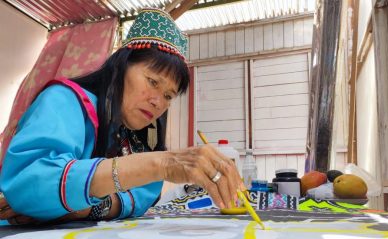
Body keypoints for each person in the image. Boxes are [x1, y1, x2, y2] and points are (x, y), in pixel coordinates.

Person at [0, 8, 244, 225]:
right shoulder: (64, 101)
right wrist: (161, 163)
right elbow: (30, 185)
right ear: (120, 66)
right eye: (152, 81)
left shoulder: (134, 134)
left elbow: (145, 192)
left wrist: (87, 209)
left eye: (169, 95)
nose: (158, 102)